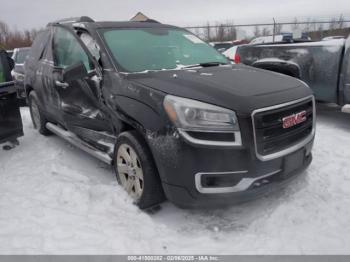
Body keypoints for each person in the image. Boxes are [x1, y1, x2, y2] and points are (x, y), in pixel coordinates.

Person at [0, 49, 23, 150]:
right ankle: (9, 136)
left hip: (7, 86)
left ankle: (12, 137)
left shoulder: (2, 54)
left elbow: (11, 64)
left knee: (10, 112)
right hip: (6, 86)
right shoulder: (2, 53)